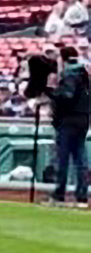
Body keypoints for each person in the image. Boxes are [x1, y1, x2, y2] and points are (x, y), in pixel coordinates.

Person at [48, 43, 89, 208]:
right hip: (84, 119)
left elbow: (67, 96)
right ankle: (82, 196)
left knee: (63, 158)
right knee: (80, 158)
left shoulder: (69, 74)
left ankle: (59, 194)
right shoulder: (85, 74)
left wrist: (53, 94)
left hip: (68, 120)